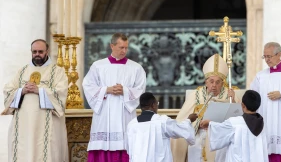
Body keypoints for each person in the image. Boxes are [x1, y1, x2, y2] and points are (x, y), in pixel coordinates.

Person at [83, 33, 147, 162]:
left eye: (126, 48)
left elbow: (141, 89)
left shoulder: (136, 68)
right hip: (104, 114)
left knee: (125, 145)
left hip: (125, 114)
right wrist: (107, 89)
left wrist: (125, 90)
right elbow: (87, 85)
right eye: (121, 47)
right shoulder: (98, 66)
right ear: (112, 46)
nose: (124, 51)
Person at [2, 39, 69, 162]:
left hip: (46, 123)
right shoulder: (22, 71)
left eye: (40, 51)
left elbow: (61, 93)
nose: (37, 54)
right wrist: (22, 91)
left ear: (47, 51)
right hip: (23, 124)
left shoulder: (57, 72)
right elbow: (8, 90)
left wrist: (40, 90)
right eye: (34, 52)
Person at [171, 54, 236, 162]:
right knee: (194, 144)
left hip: (219, 135)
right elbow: (182, 120)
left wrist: (232, 101)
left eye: (218, 82)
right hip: (199, 133)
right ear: (206, 81)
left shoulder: (229, 95)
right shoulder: (196, 95)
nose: (214, 85)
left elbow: (237, 119)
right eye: (211, 81)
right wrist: (197, 123)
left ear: (222, 83)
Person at [126, 92, 197, 162]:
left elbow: (129, 149)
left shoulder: (131, 125)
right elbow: (182, 129)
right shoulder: (162, 121)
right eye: (157, 104)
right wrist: (189, 120)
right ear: (153, 105)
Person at [200, 90, 268, 162]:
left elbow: (220, 130)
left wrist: (209, 123)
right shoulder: (261, 122)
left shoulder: (234, 122)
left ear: (242, 105)